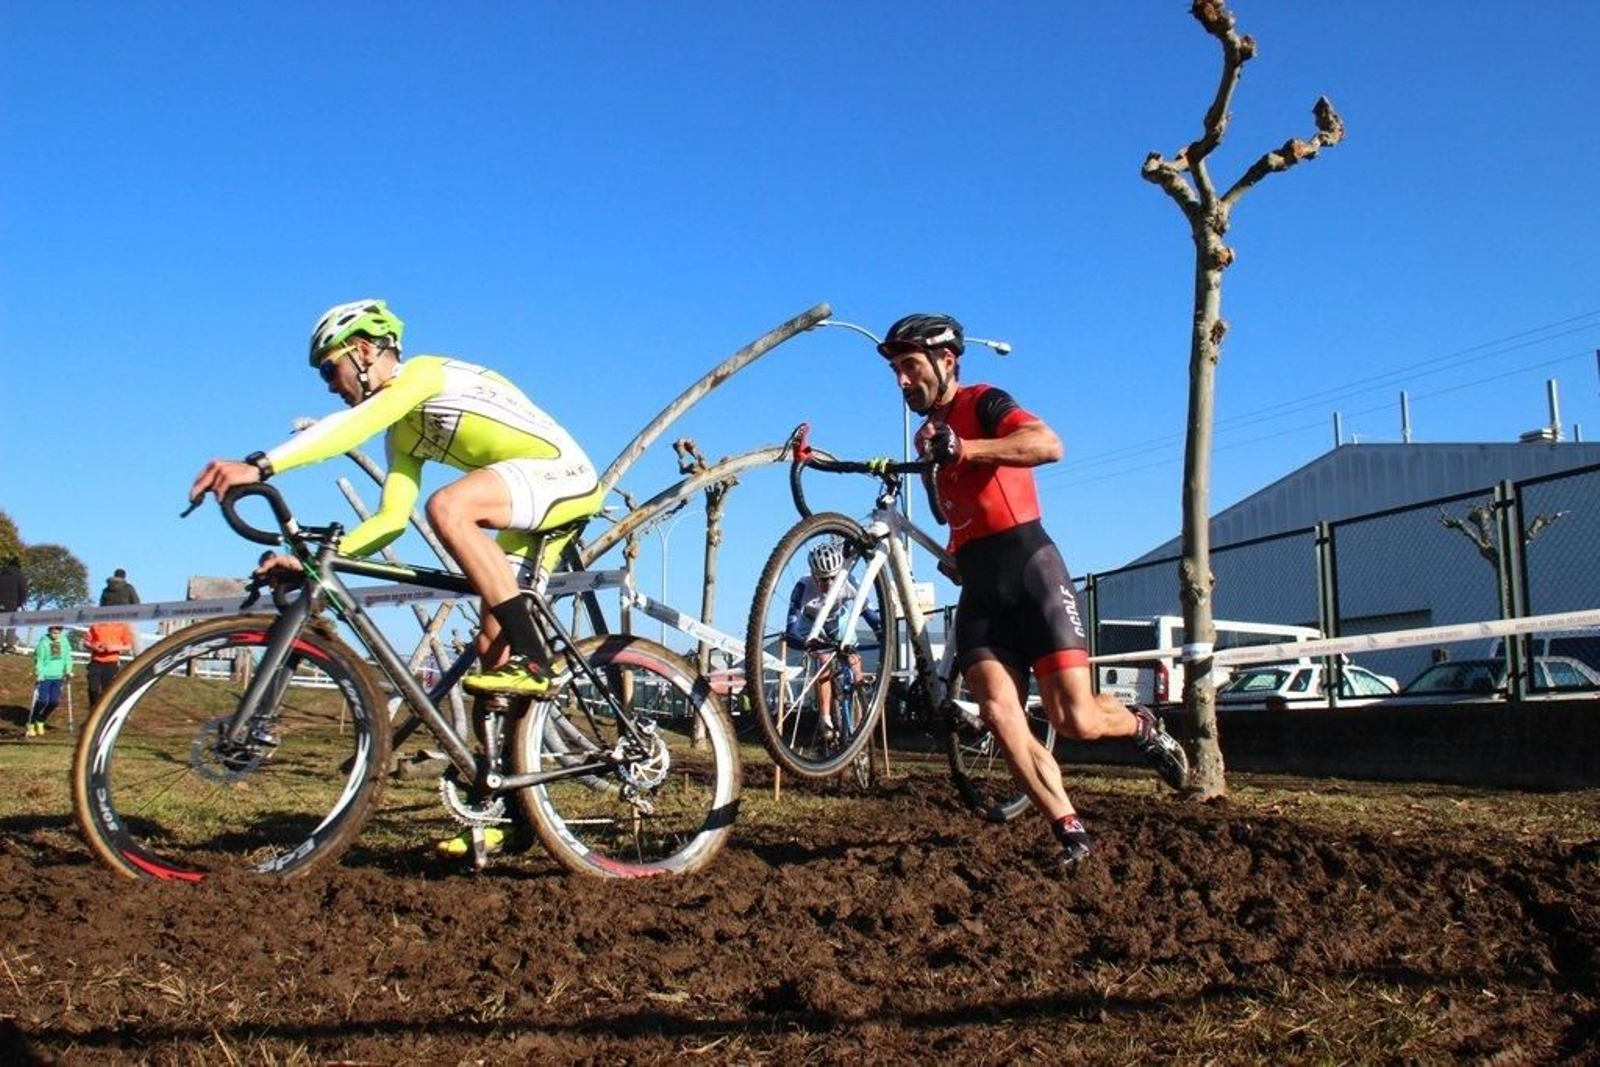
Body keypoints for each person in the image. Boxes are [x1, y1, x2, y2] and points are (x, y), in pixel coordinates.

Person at [188, 299, 604, 855]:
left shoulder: (422, 376)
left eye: (328, 369)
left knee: (449, 506)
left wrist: (260, 466)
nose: (329, 386)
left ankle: (538, 658)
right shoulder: (403, 433)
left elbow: (349, 426)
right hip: (525, 495)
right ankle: (515, 816)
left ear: (362, 351)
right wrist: (312, 562)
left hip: (563, 475)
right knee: (490, 649)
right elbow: (387, 522)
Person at [877, 312, 1189, 871]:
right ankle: (1071, 832)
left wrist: (966, 449)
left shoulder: (984, 400)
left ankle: (1142, 724)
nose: (901, 381)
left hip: (1030, 569)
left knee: (1076, 720)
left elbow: (1047, 444)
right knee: (999, 713)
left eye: (909, 367)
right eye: (896, 370)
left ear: (946, 361)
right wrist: (957, 547)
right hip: (979, 587)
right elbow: (961, 513)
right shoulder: (931, 440)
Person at [784, 539, 884, 745]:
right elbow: (791, 628)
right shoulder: (803, 586)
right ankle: (826, 720)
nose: (829, 584)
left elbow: (868, 613)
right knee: (824, 660)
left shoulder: (849, 581)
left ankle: (857, 696)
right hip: (813, 624)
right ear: (813, 574)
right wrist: (802, 642)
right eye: (822, 579)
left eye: (832, 578)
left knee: (853, 656)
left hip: (839, 620)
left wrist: (880, 632)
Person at [27, 624, 74, 737]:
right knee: (42, 700)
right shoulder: (43, 643)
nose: (56, 633)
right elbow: (39, 659)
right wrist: (39, 673)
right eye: (54, 631)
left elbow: (67, 657)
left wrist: (68, 670)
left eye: (58, 631)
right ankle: (31, 723)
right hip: (45, 677)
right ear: (50, 630)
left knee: (54, 702)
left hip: (58, 677)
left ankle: (41, 720)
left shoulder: (64, 642)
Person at [84, 619, 136, 706]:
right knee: (93, 688)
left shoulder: (122, 626)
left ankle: (104, 710)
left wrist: (113, 648)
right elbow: (86, 642)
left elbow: (128, 646)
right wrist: (94, 647)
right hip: (96, 662)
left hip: (111, 664)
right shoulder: (96, 625)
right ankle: (93, 708)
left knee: (107, 690)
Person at [0, 555, 26, 653]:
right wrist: (21, 602)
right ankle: (10, 645)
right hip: (13, 603)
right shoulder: (20, 575)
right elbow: (23, 590)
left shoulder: (1, 573)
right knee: (12, 623)